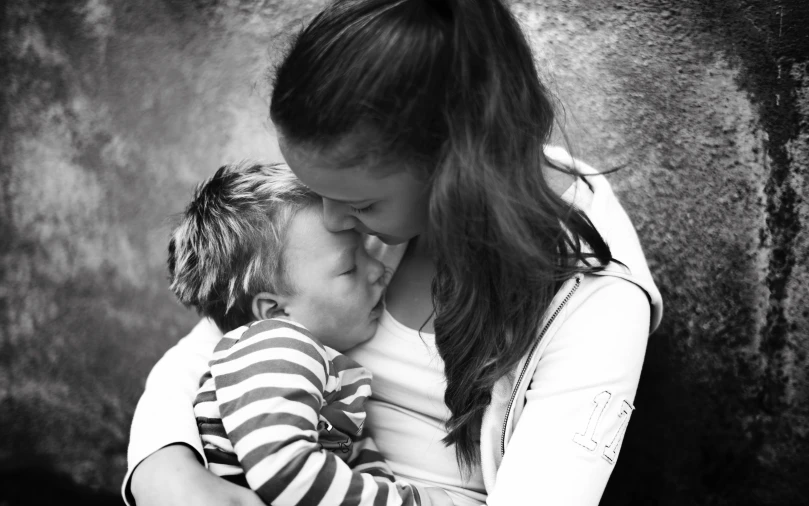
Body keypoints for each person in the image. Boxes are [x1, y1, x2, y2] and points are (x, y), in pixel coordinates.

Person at [124, 0, 663, 505]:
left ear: (454, 170)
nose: (333, 222)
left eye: (359, 204)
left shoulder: (595, 303)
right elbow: (216, 343)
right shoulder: (368, 199)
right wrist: (166, 473)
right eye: (319, 195)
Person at [163, 161, 451, 505]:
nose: (377, 269)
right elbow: (285, 473)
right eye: (349, 268)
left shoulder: (321, 368)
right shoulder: (276, 349)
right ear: (275, 312)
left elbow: (353, 464)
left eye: (365, 250)